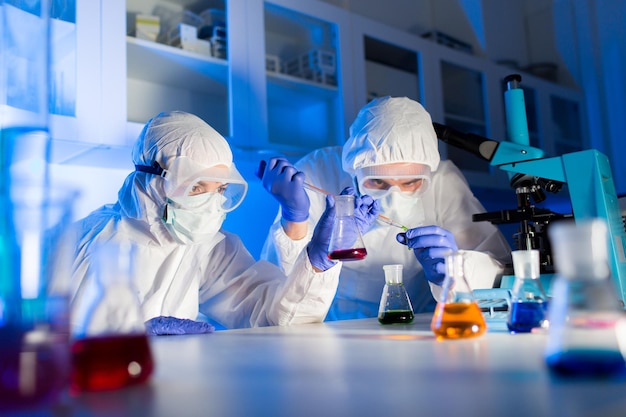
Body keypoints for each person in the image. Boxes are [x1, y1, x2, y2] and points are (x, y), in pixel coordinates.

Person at [66, 111, 343, 335]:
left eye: (220, 189)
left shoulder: (207, 248)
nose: (211, 203)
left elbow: (272, 318)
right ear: (152, 182)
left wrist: (317, 262)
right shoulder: (87, 241)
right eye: (197, 187)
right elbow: (43, 346)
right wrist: (124, 343)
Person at [260, 96, 512, 320]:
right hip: (328, 324)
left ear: (428, 173)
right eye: (378, 182)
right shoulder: (319, 170)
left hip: (416, 323)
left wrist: (456, 268)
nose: (393, 198)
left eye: (411, 182)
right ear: (353, 172)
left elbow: (502, 281)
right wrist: (294, 219)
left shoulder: (444, 182)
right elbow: (278, 286)